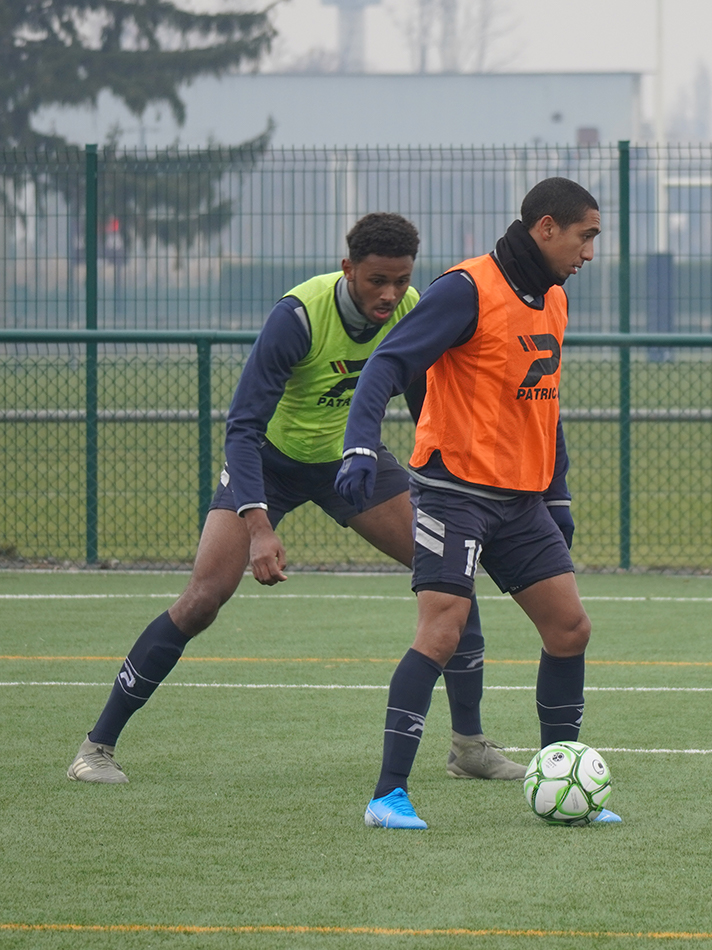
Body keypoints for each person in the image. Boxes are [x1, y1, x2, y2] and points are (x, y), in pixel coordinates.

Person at [67, 213, 526, 786]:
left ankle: (469, 746)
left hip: (349, 460)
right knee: (203, 598)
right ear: (347, 269)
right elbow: (243, 427)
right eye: (376, 280)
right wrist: (259, 526)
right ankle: (96, 746)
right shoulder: (299, 316)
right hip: (268, 462)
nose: (389, 294)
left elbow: (422, 396)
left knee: (447, 573)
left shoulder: (411, 307)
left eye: (401, 280)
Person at [337, 177, 608, 830]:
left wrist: (557, 494)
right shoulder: (466, 289)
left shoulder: (553, 301)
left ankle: (559, 780)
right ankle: (388, 797)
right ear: (546, 228)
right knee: (442, 630)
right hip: (453, 492)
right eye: (585, 236)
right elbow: (386, 366)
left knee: (569, 629)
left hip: (519, 502)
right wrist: (359, 446)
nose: (590, 252)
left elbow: (544, 403)